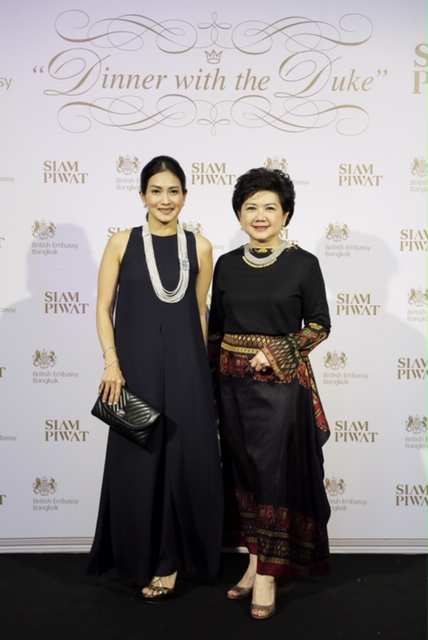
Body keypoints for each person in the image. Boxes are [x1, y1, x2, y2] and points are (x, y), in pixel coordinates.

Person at [87, 155, 223, 601]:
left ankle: (169, 563)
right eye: (157, 191)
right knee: (137, 464)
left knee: (183, 464)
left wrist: (201, 371)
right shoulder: (121, 242)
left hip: (187, 371)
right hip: (134, 371)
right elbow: (103, 308)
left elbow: (198, 312)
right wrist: (112, 362)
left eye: (174, 191)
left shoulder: (201, 247)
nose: (166, 200)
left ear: (185, 195)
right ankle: (134, 557)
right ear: (142, 194)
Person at [208, 167, 331, 620]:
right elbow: (216, 330)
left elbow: (319, 325)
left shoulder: (304, 264)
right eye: (250, 207)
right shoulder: (225, 264)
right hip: (231, 388)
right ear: (239, 214)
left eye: (270, 208)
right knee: (241, 475)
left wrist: (277, 351)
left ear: (286, 214)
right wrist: (207, 388)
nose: (260, 216)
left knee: (273, 476)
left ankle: (268, 575)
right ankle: (254, 561)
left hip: (279, 389)